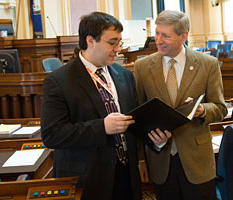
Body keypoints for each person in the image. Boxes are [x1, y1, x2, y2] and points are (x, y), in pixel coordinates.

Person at [40, 12, 160, 200]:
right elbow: (52, 135)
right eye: (112, 42)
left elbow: (134, 121)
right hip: (88, 179)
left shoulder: (124, 75)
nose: (118, 49)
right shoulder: (59, 81)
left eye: (119, 42)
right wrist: (101, 127)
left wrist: (157, 135)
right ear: (90, 40)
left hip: (126, 175)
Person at [134, 10, 228, 200]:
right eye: (157, 33)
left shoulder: (208, 64)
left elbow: (220, 108)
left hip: (197, 162)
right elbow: (137, 117)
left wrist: (201, 109)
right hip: (161, 161)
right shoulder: (142, 66)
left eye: (165, 35)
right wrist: (142, 160)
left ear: (184, 36)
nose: (158, 40)